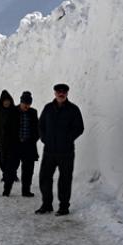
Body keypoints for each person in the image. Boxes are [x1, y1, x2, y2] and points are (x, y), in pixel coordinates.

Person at [36, 83, 84, 216]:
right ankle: (47, 205)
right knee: (44, 178)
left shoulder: (73, 109)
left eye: (63, 92)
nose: (61, 94)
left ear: (67, 93)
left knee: (65, 179)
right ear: (55, 93)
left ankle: (64, 207)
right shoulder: (48, 108)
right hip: (49, 150)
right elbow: (40, 125)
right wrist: (44, 138)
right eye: (58, 92)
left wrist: (68, 139)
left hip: (66, 152)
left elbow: (79, 127)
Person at [9, 91, 40, 198]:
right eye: (25, 103)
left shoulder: (33, 112)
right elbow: (7, 128)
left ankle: (26, 191)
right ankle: (7, 189)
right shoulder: (12, 111)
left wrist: (34, 139)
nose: (27, 105)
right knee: (11, 168)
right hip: (15, 145)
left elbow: (37, 128)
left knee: (28, 170)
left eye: (29, 103)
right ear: (21, 102)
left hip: (28, 145)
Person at [0, 90, 17, 190]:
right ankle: (5, 174)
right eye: (5, 101)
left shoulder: (14, 110)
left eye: (8, 101)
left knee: (13, 159)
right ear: (1, 101)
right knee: (3, 159)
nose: (6, 102)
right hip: (1, 139)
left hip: (13, 139)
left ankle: (12, 174)